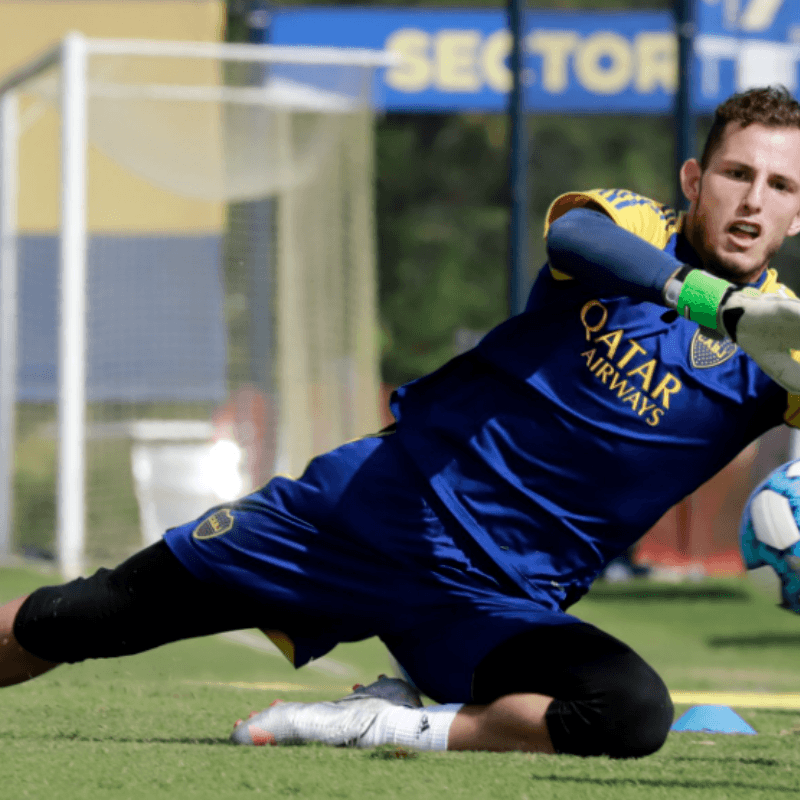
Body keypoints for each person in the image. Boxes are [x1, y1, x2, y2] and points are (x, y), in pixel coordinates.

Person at [3, 85, 800, 759]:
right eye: (737, 173)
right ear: (695, 180)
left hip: (495, 600)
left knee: (629, 713)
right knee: (81, 617)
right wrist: (711, 303)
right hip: (371, 510)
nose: (754, 199)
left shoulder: (787, 347)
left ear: (799, 213)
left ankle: (390, 720)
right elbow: (572, 233)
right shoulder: (634, 229)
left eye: (780, 185)